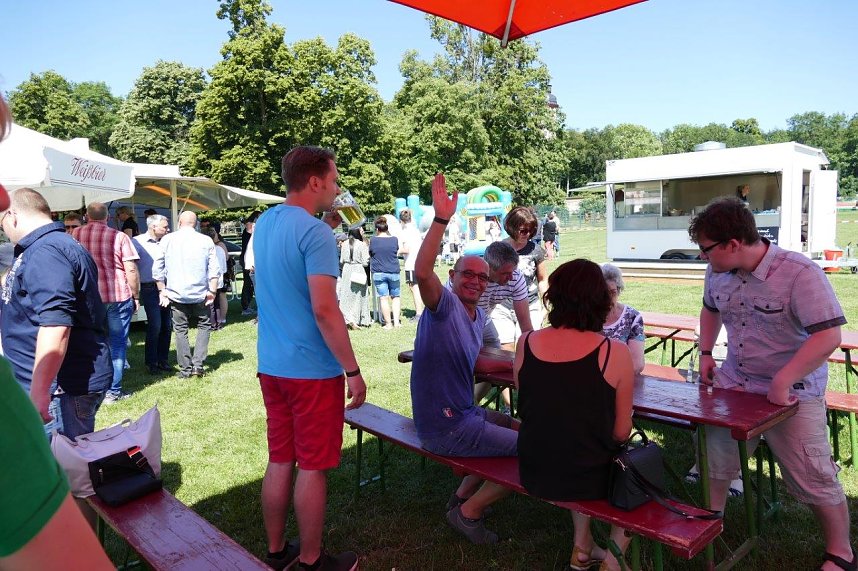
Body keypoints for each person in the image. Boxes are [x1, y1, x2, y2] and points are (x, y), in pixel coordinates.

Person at [690, 197, 853, 571]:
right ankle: (709, 526)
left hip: (793, 392)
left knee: (814, 474)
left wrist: (783, 381)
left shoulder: (799, 273)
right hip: (736, 383)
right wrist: (705, 353)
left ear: (733, 244)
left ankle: (841, 553)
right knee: (715, 459)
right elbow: (710, 309)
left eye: (706, 249)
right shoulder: (717, 270)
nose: (703, 257)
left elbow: (828, 337)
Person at [254, 146, 365, 571]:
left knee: (281, 458)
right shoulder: (314, 234)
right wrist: (353, 370)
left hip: (273, 365)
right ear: (316, 181)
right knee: (313, 466)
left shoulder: (267, 222)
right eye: (334, 179)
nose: (338, 187)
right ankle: (313, 561)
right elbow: (324, 308)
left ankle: (278, 550)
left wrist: (325, 225)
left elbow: (288, 263)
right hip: (312, 372)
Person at [411, 173, 518, 545]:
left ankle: (459, 498)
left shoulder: (479, 317)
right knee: (536, 452)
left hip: (464, 413)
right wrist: (442, 220)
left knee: (517, 427)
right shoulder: (444, 306)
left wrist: (517, 365)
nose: (476, 281)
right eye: (467, 275)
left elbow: (497, 353)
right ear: (452, 277)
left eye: (483, 278)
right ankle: (468, 514)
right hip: (445, 427)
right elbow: (421, 271)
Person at [515, 259, 634, 571]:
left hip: (535, 468)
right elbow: (622, 433)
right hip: (584, 475)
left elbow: (532, 402)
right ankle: (613, 559)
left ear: (554, 297)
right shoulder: (613, 352)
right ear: (600, 300)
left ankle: (582, 547)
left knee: (575, 445)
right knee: (635, 474)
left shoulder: (525, 342)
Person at [1, 188, 112, 438]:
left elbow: (55, 324)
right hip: (52, 386)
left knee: (64, 468)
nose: (3, 231)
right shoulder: (45, 247)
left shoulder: (46, 250)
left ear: (12, 215)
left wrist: (40, 392)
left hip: (59, 390)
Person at [74, 202, 140, 404]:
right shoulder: (119, 236)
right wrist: (136, 296)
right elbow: (130, 268)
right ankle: (112, 392)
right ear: (108, 217)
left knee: (91, 343)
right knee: (117, 344)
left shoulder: (75, 234)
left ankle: (92, 387)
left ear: (86, 215)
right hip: (117, 295)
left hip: (88, 296)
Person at [467, 241, 533, 413]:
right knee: (466, 362)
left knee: (496, 359)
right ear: (490, 269)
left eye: (512, 271)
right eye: (506, 273)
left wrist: (534, 355)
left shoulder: (515, 277)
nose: (511, 277)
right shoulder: (472, 277)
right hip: (461, 319)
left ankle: (471, 402)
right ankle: (462, 405)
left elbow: (526, 325)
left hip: (484, 318)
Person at [154, 211, 219, 379]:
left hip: (176, 293)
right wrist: (212, 290)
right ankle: (198, 365)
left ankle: (185, 369)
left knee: (180, 330)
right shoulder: (206, 240)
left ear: (179, 222)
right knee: (204, 326)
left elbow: (157, 267)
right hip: (200, 293)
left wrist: (162, 289)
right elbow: (214, 269)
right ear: (195, 223)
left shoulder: (167, 239)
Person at [498, 205, 548, 340]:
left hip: (530, 304)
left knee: (527, 344)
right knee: (504, 348)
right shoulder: (498, 249)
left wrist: (545, 306)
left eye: (531, 231)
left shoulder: (536, 250)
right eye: (523, 230)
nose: (527, 234)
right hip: (502, 306)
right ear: (512, 227)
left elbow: (543, 280)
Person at [133, 214, 173, 375]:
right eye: (164, 226)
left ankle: (163, 359)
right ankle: (151, 361)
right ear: (153, 226)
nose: (167, 229)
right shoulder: (137, 242)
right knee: (155, 324)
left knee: (167, 325)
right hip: (148, 287)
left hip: (166, 287)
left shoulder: (168, 241)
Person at [601, 264, 645, 374]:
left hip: (623, 380)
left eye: (613, 292)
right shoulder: (586, 316)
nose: (608, 298)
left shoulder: (632, 317)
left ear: (619, 290)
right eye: (603, 293)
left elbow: (637, 364)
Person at [369, 216, 401, 329]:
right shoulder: (394, 239)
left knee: (383, 298)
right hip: (393, 271)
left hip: (379, 272)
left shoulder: (373, 240)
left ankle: (388, 323)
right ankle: (396, 322)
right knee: (395, 297)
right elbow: (396, 250)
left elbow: (371, 253)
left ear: (377, 229)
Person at [338, 227, 372, 329]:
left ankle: (348, 318)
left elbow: (341, 260)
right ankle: (359, 319)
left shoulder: (344, 244)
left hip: (347, 270)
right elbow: (366, 262)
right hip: (358, 269)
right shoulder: (361, 244)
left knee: (346, 295)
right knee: (359, 296)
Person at [397, 209, 424, 321]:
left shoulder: (404, 232)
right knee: (419, 287)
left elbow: (406, 249)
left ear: (401, 220)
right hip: (419, 261)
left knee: (414, 288)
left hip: (411, 263)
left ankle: (419, 313)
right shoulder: (416, 230)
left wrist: (397, 251)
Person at [202, 227, 229, 330]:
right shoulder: (220, 249)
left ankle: (212, 324)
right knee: (216, 302)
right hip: (219, 279)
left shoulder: (206, 250)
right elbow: (224, 267)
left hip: (209, 279)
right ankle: (219, 322)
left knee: (210, 303)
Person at [240, 212, 260, 316]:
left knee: (250, 285)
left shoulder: (250, 230)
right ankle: (245, 307)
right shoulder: (250, 230)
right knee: (248, 285)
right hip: (248, 262)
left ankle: (247, 306)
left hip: (248, 261)